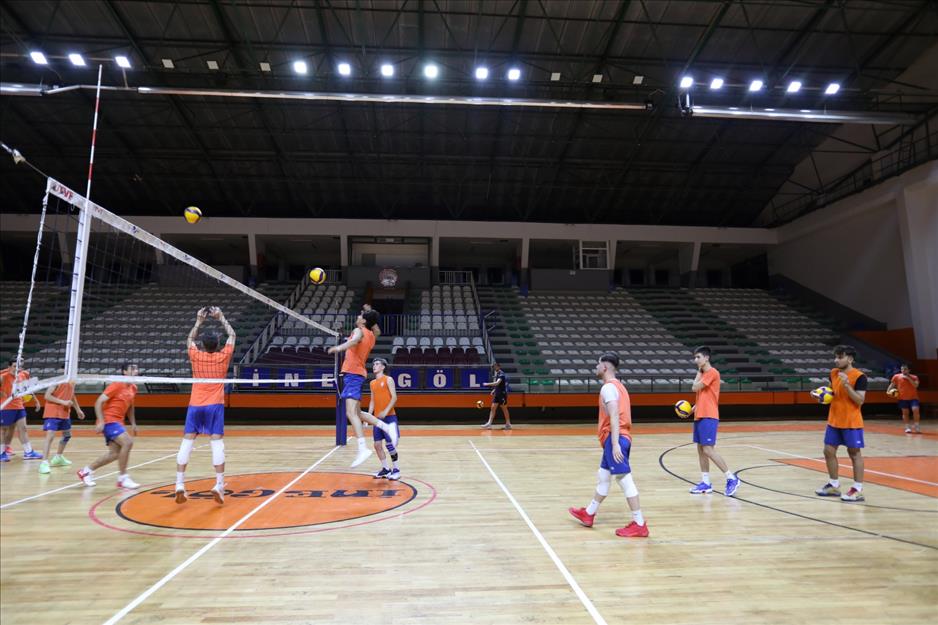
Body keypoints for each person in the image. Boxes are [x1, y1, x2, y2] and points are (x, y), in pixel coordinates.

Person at [568, 352, 649, 538]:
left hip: (616, 438)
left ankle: (639, 524)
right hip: (616, 438)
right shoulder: (619, 386)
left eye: (597, 364)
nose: (595, 368)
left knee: (624, 480)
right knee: (603, 476)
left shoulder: (608, 388)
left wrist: (614, 444)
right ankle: (589, 513)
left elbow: (614, 415)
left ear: (604, 367)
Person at [174, 306, 235, 505]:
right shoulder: (223, 357)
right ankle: (218, 484)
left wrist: (199, 321)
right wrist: (221, 317)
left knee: (187, 442)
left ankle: (179, 484)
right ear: (218, 344)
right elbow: (233, 334)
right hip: (214, 406)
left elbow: (189, 340)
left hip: (195, 405)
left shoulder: (196, 356)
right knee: (217, 442)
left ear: (203, 345)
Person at [328, 309, 398, 467]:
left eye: (360, 316)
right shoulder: (372, 336)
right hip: (356, 374)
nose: (357, 317)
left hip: (353, 373)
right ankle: (386, 427)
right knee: (358, 413)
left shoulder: (358, 331)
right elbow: (377, 329)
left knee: (350, 412)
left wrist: (338, 348)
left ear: (364, 322)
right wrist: (369, 313)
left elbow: (354, 341)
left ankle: (362, 448)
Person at [816, 345, 868, 502]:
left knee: (854, 454)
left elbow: (860, 400)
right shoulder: (833, 373)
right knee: (828, 451)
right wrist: (822, 395)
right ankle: (833, 485)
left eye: (840, 357)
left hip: (851, 422)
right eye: (835, 357)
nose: (836, 360)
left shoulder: (860, 377)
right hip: (834, 420)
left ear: (850, 359)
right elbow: (833, 392)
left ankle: (857, 489)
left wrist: (847, 385)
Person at [686, 346, 740, 496]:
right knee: (700, 450)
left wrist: (698, 371)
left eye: (698, 357)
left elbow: (694, 387)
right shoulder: (705, 374)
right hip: (700, 415)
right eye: (695, 358)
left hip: (709, 415)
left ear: (706, 358)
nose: (695, 360)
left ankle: (731, 478)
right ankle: (706, 482)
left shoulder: (712, 373)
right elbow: (704, 396)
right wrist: (692, 409)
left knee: (708, 449)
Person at [77, 363, 140, 489]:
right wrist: (101, 421)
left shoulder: (133, 388)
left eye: (137, 369)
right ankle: (123, 478)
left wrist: (133, 423)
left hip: (119, 422)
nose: (136, 371)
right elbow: (98, 402)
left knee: (114, 454)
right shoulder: (117, 385)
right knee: (127, 443)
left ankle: (85, 472)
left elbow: (130, 407)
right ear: (124, 372)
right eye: (132, 369)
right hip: (109, 420)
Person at [38, 375, 86, 474]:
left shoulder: (72, 382)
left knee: (67, 435)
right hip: (53, 412)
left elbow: (72, 395)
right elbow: (47, 396)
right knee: (50, 437)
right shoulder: (57, 381)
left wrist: (78, 410)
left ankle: (58, 457)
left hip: (64, 412)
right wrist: (63, 402)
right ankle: (44, 463)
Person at [1, 357, 43, 462]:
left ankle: (28, 452)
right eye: (15, 366)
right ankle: (2, 453)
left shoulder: (23, 374)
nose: (17, 368)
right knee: (3, 431)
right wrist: (2, 394)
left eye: (19, 366)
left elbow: (28, 389)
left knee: (23, 428)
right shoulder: (3, 377)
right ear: (9, 367)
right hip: (6, 407)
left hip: (19, 406)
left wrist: (36, 400)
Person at [368, 358, 401, 480]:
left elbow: (394, 397)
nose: (374, 366)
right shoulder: (372, 383)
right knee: (377, 444)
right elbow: (372, 401)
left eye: (377, 364)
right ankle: (385, 469)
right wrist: (368, 416)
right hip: (377, 419)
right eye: (373, 364)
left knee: (390, 444)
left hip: (389, 417)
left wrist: (385, 411)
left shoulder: (388, 379)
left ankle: (396, 469)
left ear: (383, 367)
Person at [888, 364, 921, 434]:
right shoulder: (896, 376)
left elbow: (916, 385)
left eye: (905, 369)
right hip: (902, 398)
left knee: (915, 410)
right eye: (902, 369)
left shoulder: (914, 377)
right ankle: (907, 427)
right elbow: (892, 384)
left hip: (913, 398)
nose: (903, 371)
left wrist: (908, 378)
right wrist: (888, 391)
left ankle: (917, 426)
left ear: (909, 370)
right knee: (905, 413)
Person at [480, 362, 512, 430]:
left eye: (494, 367)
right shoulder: (497, 373)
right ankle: (489, 424)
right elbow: (498, 385)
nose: (494, 368)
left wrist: (487, 384)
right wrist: (494, 390)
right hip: (497, 394)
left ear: (498, 367)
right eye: (493, 367)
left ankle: (508, 424)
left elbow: (497, 383)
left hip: (502, 394)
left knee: (504, 409)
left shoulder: (501, 374)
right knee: (493, 408)